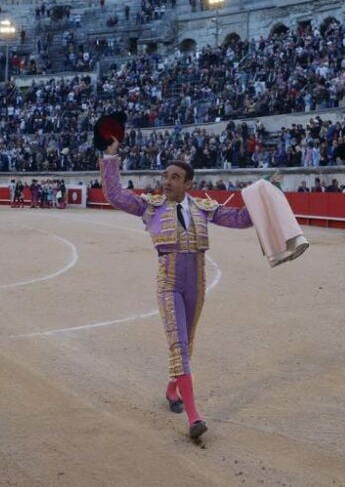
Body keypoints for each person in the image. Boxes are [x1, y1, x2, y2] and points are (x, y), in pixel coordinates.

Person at [99, 137, 253, 440]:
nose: (167, 181)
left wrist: (264, 195)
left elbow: (239, 219)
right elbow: (114, 194)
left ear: (188, 184)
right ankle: (194, 417)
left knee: (188, 342)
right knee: (178, 345)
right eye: (165, 176)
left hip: (197, 284)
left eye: (174, 177)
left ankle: (173, 389)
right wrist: (109, 157)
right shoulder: (150, 206)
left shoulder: (203, 208)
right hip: (168, 283)